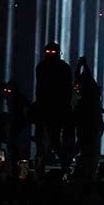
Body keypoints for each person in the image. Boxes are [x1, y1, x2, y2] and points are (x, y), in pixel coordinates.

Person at [34, 41, 73, 175]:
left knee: (54, 140)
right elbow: (39, 88)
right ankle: (44, 166)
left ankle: (63, 165)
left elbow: (67, 90)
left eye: (52, 52)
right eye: (48, 52)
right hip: (46, 107)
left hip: (56, 108)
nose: (50, 55)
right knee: (42, 139)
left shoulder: (62, 67)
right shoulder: (43, 66)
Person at [0, 80, 31, 171]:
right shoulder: (14, 97)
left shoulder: (19, 98)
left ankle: (21, 172)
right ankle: (3, 168)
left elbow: (27, 110)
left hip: (19, 124)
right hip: (17, 124)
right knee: (5, 145)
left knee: (19, 148)